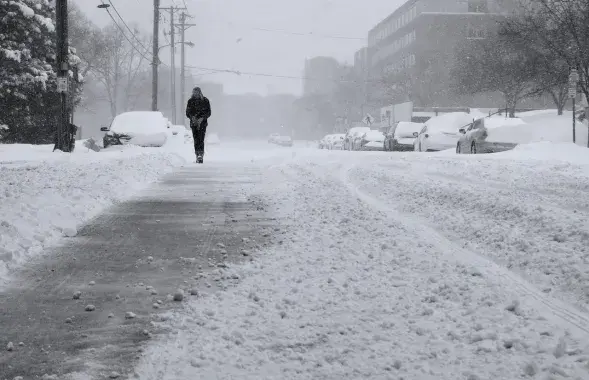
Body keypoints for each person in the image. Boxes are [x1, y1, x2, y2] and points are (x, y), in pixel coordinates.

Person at [185, 87, 211, 163]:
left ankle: (200, 154)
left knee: (201, 138)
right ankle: (197, 154)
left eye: (197, 92)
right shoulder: (190, 101)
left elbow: (209, 112)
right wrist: (192, 117)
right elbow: (187, 112)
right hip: (193, 123)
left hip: (202, 123)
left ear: (200, 92)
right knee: (196, 139)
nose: (195, 94)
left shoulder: (205, 101)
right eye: (194, 92)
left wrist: (202, 118)